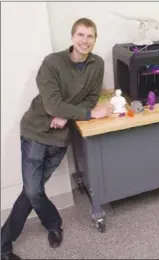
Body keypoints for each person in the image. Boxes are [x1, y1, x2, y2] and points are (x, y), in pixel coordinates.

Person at [1, 18, 113, 260]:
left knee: (33, 191)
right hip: (36, 132)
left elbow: (92, 97)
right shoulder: (52, 62)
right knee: (33, 190)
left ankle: (52, 225)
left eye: (90, 36)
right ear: (72, 37)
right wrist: (84, 113)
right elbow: (52, 104)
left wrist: (65, 115)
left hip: (60, 138)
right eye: (81, 35)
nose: (85, 41)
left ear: (95, 39)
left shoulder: (97, 64)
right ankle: (5, 244)